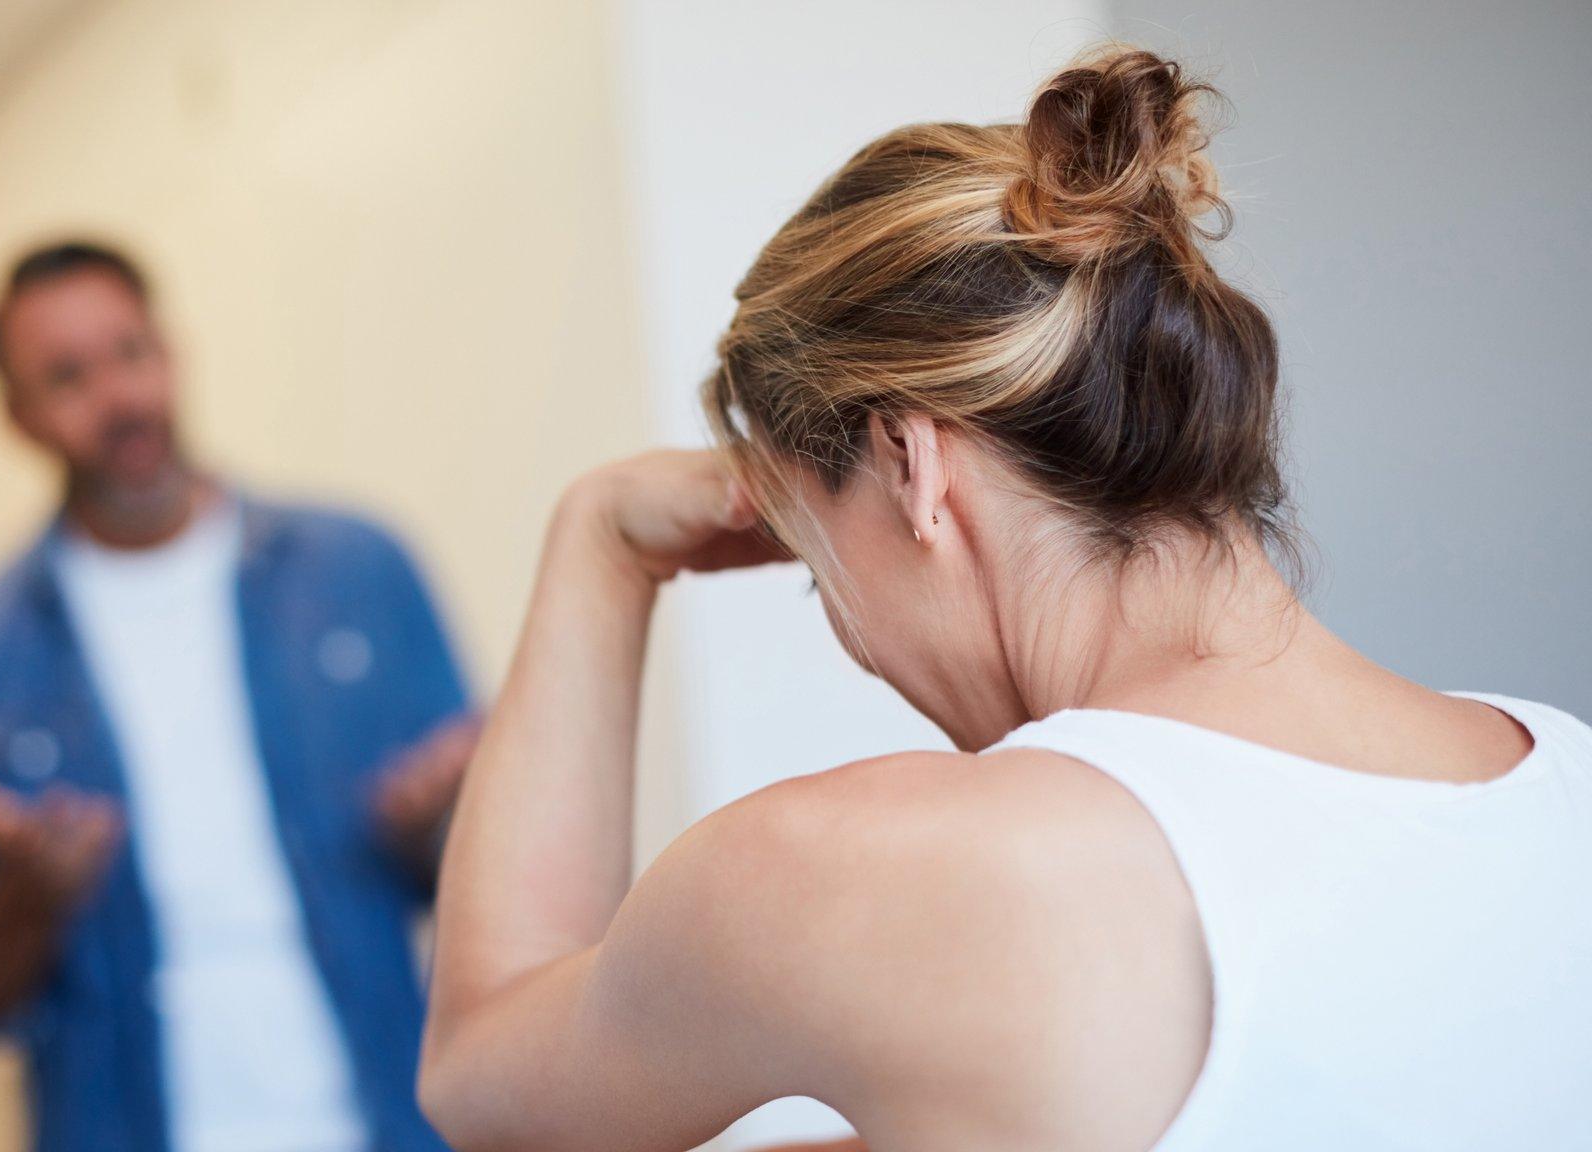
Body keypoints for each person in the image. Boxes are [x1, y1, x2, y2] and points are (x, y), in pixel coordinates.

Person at [414, 46, 1592, 1152]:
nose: (847, 634)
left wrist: (602, 545)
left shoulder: (901, 868)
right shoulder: (1562, 783)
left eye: (819, 567)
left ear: (911, 466)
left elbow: (480, 1070)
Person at [0, 241, 475, 1152]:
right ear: (17, 417)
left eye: (132, 352)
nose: (121, 398)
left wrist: (440, 825)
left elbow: (501, 878)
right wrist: (23, 901)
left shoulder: (361, 569)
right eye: (69, 376)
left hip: (396, 1125)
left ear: (170, 351)